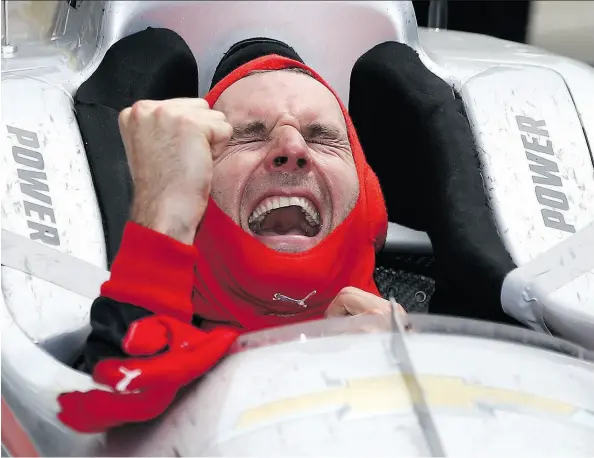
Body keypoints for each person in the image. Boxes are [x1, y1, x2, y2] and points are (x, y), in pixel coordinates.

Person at [57, 39, 403, 433]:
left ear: (366, 193)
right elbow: (99, 422)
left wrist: (411, 368)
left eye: (322, 136)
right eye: (249, 136)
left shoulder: (432, 331)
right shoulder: (100, 332)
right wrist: (165, 212)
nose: (292, 148)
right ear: (200, 179)